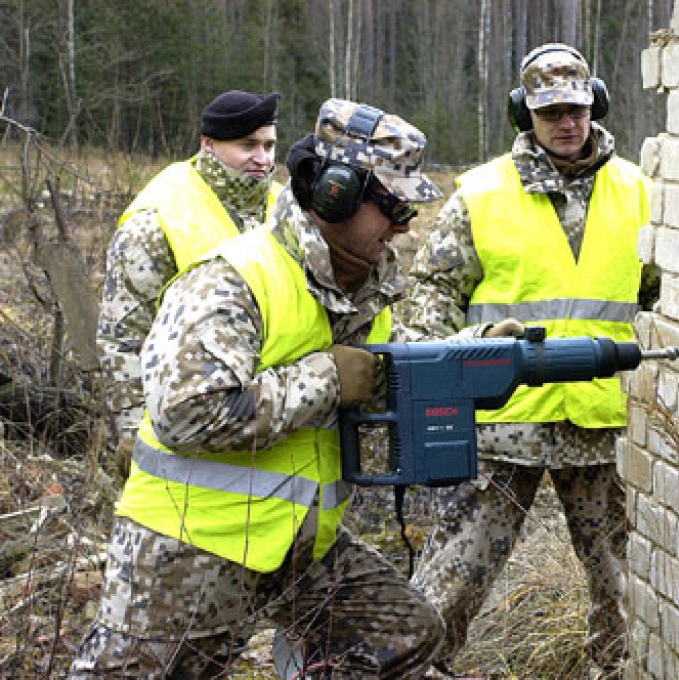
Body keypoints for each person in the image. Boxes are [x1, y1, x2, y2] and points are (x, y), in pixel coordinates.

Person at [71, 98, 444, 679]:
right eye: (393, 205)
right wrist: (325, 378)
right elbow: (188, 413)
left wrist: (480, 349)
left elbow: (382, 367)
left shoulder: (363, 286)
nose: (403, 224)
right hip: (189, 549)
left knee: (406, 633)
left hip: (295, 544)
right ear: (334, 194)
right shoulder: (233, 278)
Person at [408, 43, 658, 679]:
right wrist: (445, 379)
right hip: (500, 423)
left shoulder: (641, 191)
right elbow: (429, 298)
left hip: (599, 425)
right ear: (526, 114)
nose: (566, 123)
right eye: (550, 114)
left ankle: (616, 673)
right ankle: (413, 671)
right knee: (452, 581)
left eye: (575, 109)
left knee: (623, 587)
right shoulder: (480, 194)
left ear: (595, 103)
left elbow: (661, 294)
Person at [96, 89, 283, 478]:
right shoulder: (157, 219)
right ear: (208, 144)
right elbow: (124, 337)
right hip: (184, 425)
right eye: (247, 145)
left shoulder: (286, 210)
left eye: (269, 145)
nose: (262, 159)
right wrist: (133, 430)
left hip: (271, 423)